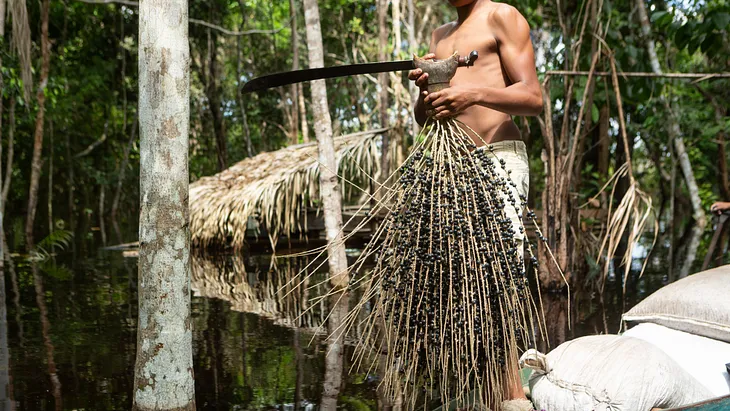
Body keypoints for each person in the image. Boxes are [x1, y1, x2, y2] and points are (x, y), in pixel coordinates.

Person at [407, 1, 543, 410]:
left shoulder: (502, 15)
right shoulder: (439, 36)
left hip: (498, 155)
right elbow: (424, 117)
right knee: (462, 284)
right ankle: (484, 394)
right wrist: (425, 92)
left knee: (497, 282)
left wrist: (474, 93)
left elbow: (533, 97)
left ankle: (513, 399)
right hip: (452, 165)